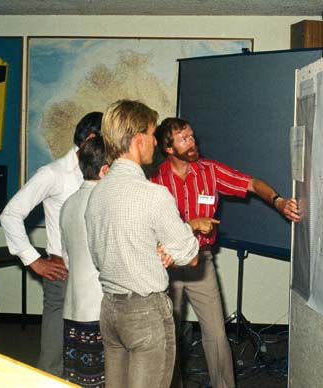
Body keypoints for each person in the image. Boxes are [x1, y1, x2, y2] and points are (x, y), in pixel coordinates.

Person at [150, 117, 301, 388]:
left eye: (192, 136)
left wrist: (278, 202)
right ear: (169, 148)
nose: (193, 142)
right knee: (166, 336)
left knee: (217, 335)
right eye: (184, 139)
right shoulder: (154, 181)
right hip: (167, 265)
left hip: (201, 261)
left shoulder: (210, 170)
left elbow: (252, 184)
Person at [84, 99, 200, 388]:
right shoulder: (153, 195)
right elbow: (191, 256)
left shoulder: (96, 195)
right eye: (151, 134)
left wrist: (154, 249)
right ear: (138, 140)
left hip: (110, 310)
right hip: (145, 314)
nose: (154, 142)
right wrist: (173, 245)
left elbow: (102, 257)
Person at [0, 112, 103, 377]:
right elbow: (10, 214)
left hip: (100, 275)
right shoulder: (53, 173)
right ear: (90, 138)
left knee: (95, 355)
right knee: (53, 357)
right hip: (64, 273)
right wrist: (33, 259)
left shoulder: (106, 171)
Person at [59, 136, 109, 387]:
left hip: (74, 307)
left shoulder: (68, 203)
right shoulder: (103, 203)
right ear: (106, 169)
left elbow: (66, 256)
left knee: (77, 379)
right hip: (100, 307)